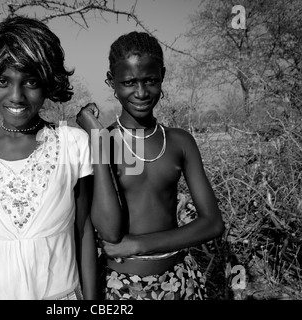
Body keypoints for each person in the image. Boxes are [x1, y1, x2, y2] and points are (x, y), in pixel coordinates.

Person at [0, 16, 98, 300]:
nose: (16, 95)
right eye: (3, 81)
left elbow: (83, 234)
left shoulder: (73, 144)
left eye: (30, 81)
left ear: (48, 83)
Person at [76, 31, 225, 300]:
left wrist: (138, 245)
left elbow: (212, 224)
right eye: (129, 82)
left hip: (179, 282)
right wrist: (98, 140)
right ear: (112, 81)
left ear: (163, 76)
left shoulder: (180, 142)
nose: (142, 92)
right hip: (118, 288)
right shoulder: (102, 143)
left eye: (151, 81)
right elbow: (107, 230)